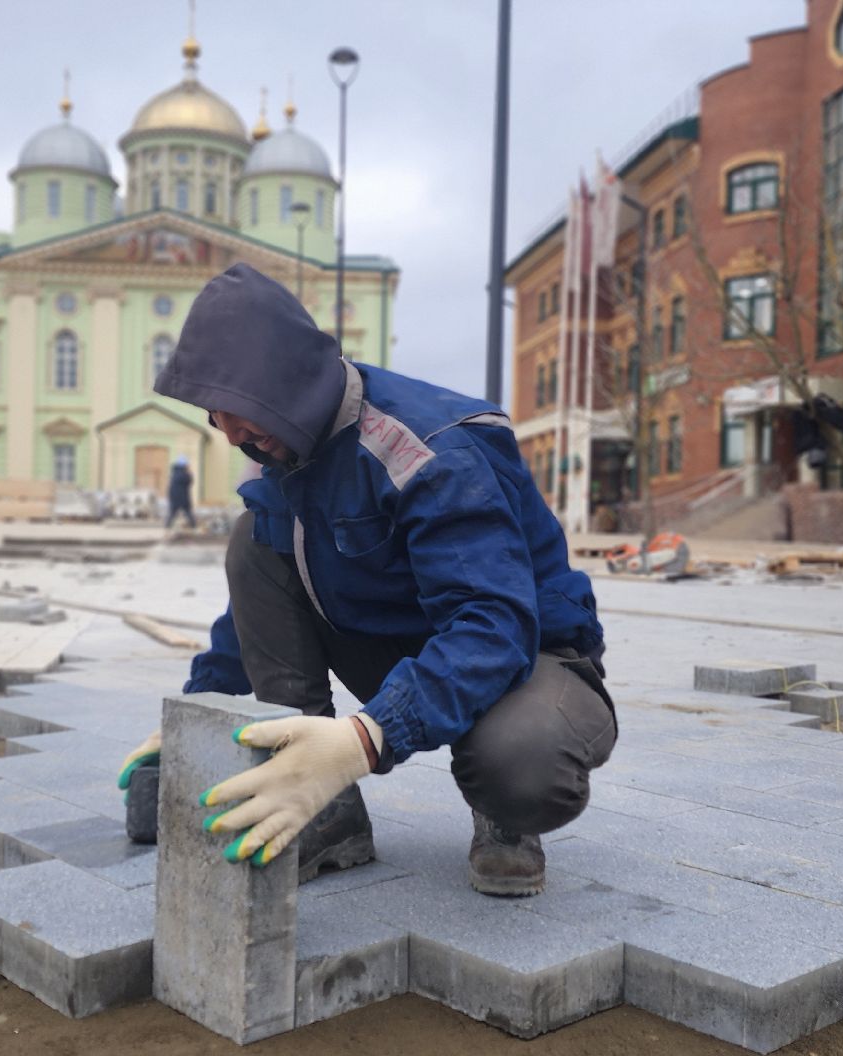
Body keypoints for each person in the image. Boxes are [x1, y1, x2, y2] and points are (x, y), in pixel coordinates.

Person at [117, 264, 615, 897]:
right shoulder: (289, 452)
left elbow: (493, 626)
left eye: (239, 409)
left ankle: (503, 818)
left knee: (523, 770)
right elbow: (257, 608)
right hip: (412, 642)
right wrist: (196, 713)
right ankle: (322, 806)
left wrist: (363, 738)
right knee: (254, 541)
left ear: (289, 381)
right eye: (215, 414)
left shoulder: (428, 453)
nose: (230, 430)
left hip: (528, 654)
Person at [165, 456, 196, 529]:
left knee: (172, 513)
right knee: (188, 512)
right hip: (182, 497)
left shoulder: (175, 473)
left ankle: (167, 526)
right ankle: (194, 526)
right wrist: (189, 473)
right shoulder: (183, 474)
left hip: (175, 497)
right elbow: (189, 480)